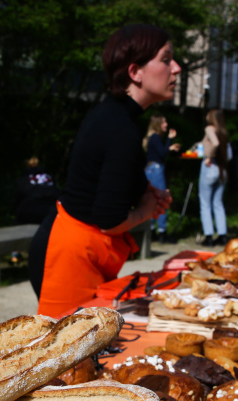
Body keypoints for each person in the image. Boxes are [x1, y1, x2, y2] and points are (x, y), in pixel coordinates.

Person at [29, 24, 177, 317]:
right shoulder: (121, 128)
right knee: (70, 355)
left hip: (73, 248)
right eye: (166, 59)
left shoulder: (115, 116)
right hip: (69, 257)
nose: (177, 68)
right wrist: (146, 210)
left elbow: (105, 184)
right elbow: (110, 219)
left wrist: (147, 194)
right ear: (135, 72)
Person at [143, 114, 181, 243]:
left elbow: (160, 152)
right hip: (156, 170)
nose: (166, 124)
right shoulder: (155, 137)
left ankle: (153, 230)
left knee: (153, 200)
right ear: (158, 124)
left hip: (151, 169)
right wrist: (169, 139)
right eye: (164, 122)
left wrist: (169, 147)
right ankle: (162, 232)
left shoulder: (153, 138)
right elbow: (162, 154)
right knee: (162, 199)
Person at [198, 109, 231, 247]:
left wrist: (209, 157)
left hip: (210, 167)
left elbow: (215, 143)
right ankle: (223, 235)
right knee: (218, 203)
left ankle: (209, 236)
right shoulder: (223, 131)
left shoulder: (210, 128)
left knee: (205, 203)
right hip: (222, 169)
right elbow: (229, 155)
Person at [14, 156, 59, 227]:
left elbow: (17, 201)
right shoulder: (50, 178)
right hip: (52, 210)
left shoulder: (22, 180)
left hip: (30, 211)